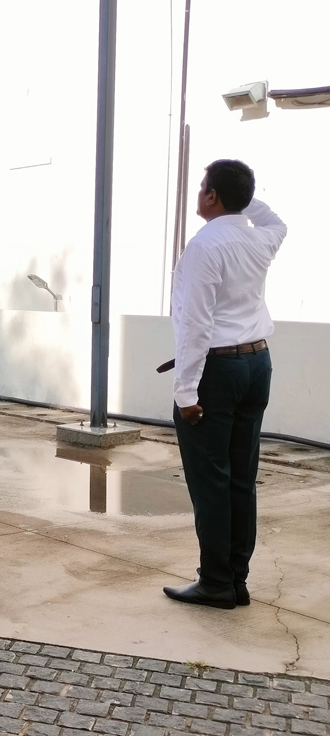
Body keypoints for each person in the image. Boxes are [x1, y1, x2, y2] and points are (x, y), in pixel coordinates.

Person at [163, 160, 287, 610]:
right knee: (241, 478)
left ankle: (216, 581)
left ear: (212, 196)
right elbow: (277, 222)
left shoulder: (205, 246)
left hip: (217, 372)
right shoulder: (260, 238)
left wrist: (185, 393)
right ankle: (236, 579)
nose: (199, 193)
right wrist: (242, 198)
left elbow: (195, 325)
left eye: (203, 188)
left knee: (211, 480)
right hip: (257, 364)